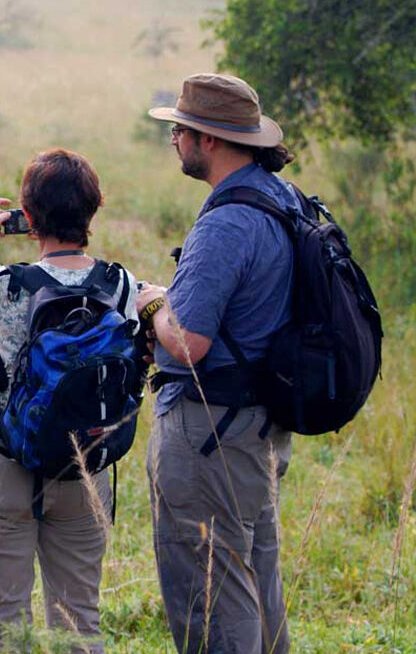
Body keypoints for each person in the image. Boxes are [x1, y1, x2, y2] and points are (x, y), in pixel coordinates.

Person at [0, 149, 138, 653]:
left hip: (4, 466)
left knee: (2, 630)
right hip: (86, 466)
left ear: (30, 217)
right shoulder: (120, 284)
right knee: (79, 624)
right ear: (92, 211)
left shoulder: (3, 284)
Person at [138, 73, 298, 653]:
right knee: (257, 580)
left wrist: (154, 303)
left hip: (210, 433)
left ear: (208, 139)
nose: (174, 140)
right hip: (259, 424)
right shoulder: (283, 198)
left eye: (180, 130)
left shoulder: (227, 222)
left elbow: (188, 343)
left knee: (212, 598)